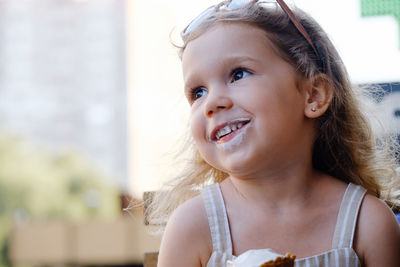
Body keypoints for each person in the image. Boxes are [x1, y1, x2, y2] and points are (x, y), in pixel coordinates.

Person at [147, 0, 400, 266]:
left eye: (238, 74)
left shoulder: (367, 223)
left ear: (313, 95)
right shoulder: (192, 227)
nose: (211, 103)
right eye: (198, 92)